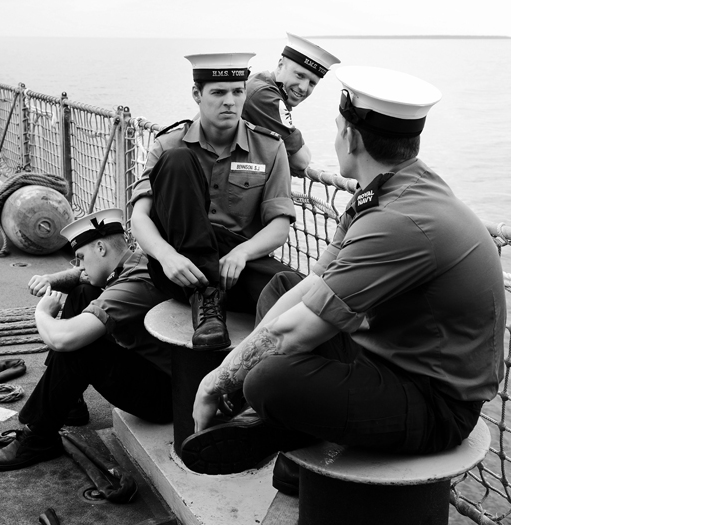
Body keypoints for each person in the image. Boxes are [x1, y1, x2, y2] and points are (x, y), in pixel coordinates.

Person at [181, 66, 507, 494]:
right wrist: (238, 368)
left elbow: (293, 334)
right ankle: (289, 428)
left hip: (437, 403)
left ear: (351, 137)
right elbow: (313, 285)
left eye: (338, 127)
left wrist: (218, 385)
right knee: (279, 287)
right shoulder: (394, 188)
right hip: (393, 356)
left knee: (266, 380)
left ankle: (284, 428)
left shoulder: (400, 220)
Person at [129, 52, 300, 352]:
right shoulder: (169, 144)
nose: (230, 102)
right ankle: (206, 297)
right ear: (197, 94)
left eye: (238, 91)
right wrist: (167, 256)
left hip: (236, 265)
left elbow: (280, 224)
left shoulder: (270, 148)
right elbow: (139, 217)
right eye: (218, 92)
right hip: (181, 268)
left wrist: (243, 253)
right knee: (178, 161)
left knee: (298, 293)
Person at [0, 209, 173, 471]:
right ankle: (69, 402)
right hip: (155, 373)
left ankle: (39, 436)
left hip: (164, 398)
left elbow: (62, 339)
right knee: (83, 291)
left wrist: (42, 313)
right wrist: (51, 279)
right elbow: (81, 277)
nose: (80, 266)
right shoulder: (135, 260)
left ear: (100, 247)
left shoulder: (135, 285)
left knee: (80, 348)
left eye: (81, 258)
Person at [242, 33, 340, 177]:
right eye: (299, 75)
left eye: (312, 83)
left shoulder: (258, 81)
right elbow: (301, 160)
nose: (304, 88)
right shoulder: (265, 96)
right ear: (281, 65)